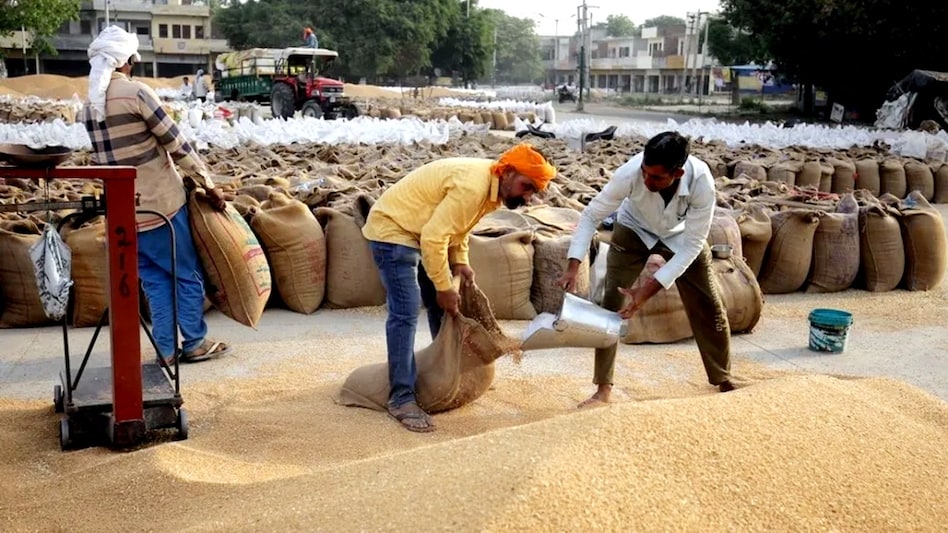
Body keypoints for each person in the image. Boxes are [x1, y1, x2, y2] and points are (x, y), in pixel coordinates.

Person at [362, 143, 556, 432]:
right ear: (508, 172)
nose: (527, 197)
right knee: (406, 309)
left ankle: (447, 372)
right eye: (526, 186)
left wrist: (461, 262)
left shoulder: (491, 189)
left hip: (420, 231)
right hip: (393, 230)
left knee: (443, 305)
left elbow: (458, 229)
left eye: (533, 191)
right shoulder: (472, 186)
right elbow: (434, 237)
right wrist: (443, 287)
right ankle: (401, 397)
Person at [82, 25, 232, 365]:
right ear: (128, 60)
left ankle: (165, 350)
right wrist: (208, 184)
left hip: (125, 216)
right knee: (186, 275)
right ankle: (194, 341)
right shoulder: (136, 94)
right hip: (162, 208)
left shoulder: (89, 108)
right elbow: (177, 144)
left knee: (155, 282)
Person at [557, 131, 735, 407]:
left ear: (677, 174)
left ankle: (722, 377)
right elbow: (591, 215)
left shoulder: (702, 183)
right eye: (645, 172)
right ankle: (603, 389)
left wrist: (647, 290)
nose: (646, 180)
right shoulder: (630, 173)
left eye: (656, 177)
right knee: (610, 305)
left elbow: (692, 246)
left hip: (681, 236)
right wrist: (573, 264)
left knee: (709, 303)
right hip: (633, 228)